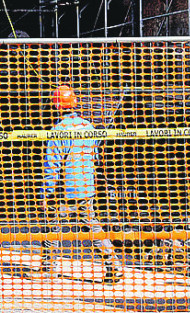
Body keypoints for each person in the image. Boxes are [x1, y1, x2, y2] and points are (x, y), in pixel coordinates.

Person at [38, 85, 123, 284]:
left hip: (64, 191)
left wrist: (46, 193)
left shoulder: (58, 131)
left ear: (56, 106)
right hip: (86, 187)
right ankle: (114, 266)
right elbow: (94, 157)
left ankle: (48, 268)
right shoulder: (88, 127)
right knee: (93, 227)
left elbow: (52, 166)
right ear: (75, 102)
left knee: (53, 227)